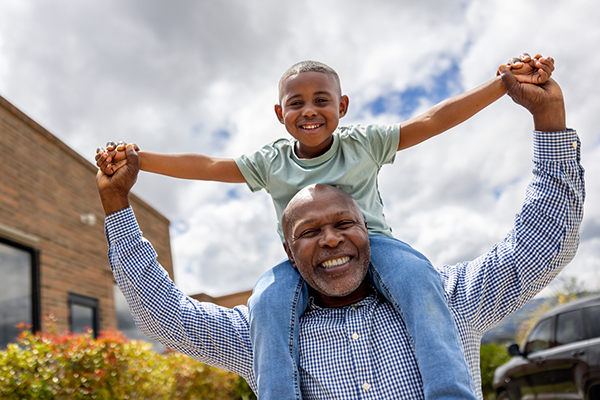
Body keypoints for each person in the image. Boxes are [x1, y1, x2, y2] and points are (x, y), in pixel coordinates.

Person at [97, 64, 583, 399]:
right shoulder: (266, 333)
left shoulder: (446, 300)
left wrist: (537, 112)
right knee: (267, 296)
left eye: (344, 223)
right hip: (281, 294)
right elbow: (167, 317)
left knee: (415, 276)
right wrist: (124, 192)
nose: (330, 238)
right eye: (309, 231)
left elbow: (543, 238)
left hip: (395, 256)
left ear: (342, 105)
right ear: (288, 248)